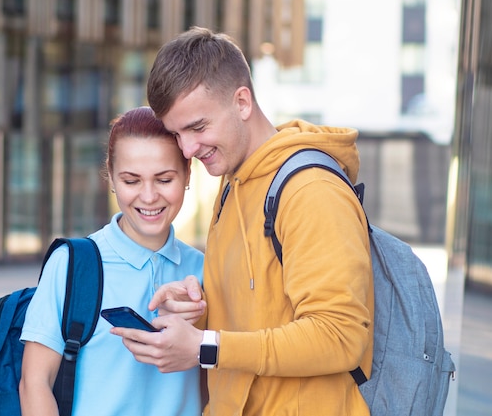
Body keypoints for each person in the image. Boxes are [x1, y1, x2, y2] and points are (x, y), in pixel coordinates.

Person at [110, 27, 375, 415]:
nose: (187, 149)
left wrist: (206, 346)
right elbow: (260, 307)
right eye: (176, 133)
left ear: (242, 102)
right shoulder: (233, 182)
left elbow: (340, 335)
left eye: (198, 127)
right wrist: (200, 303)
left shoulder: (310, 191)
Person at [19, 106, 205, 416]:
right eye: (132, 181)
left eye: (164, 179)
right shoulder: (72, 264)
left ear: (187, 174)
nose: (148, 197)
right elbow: (34, 382)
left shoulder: (204, 270)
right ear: (112, 177)